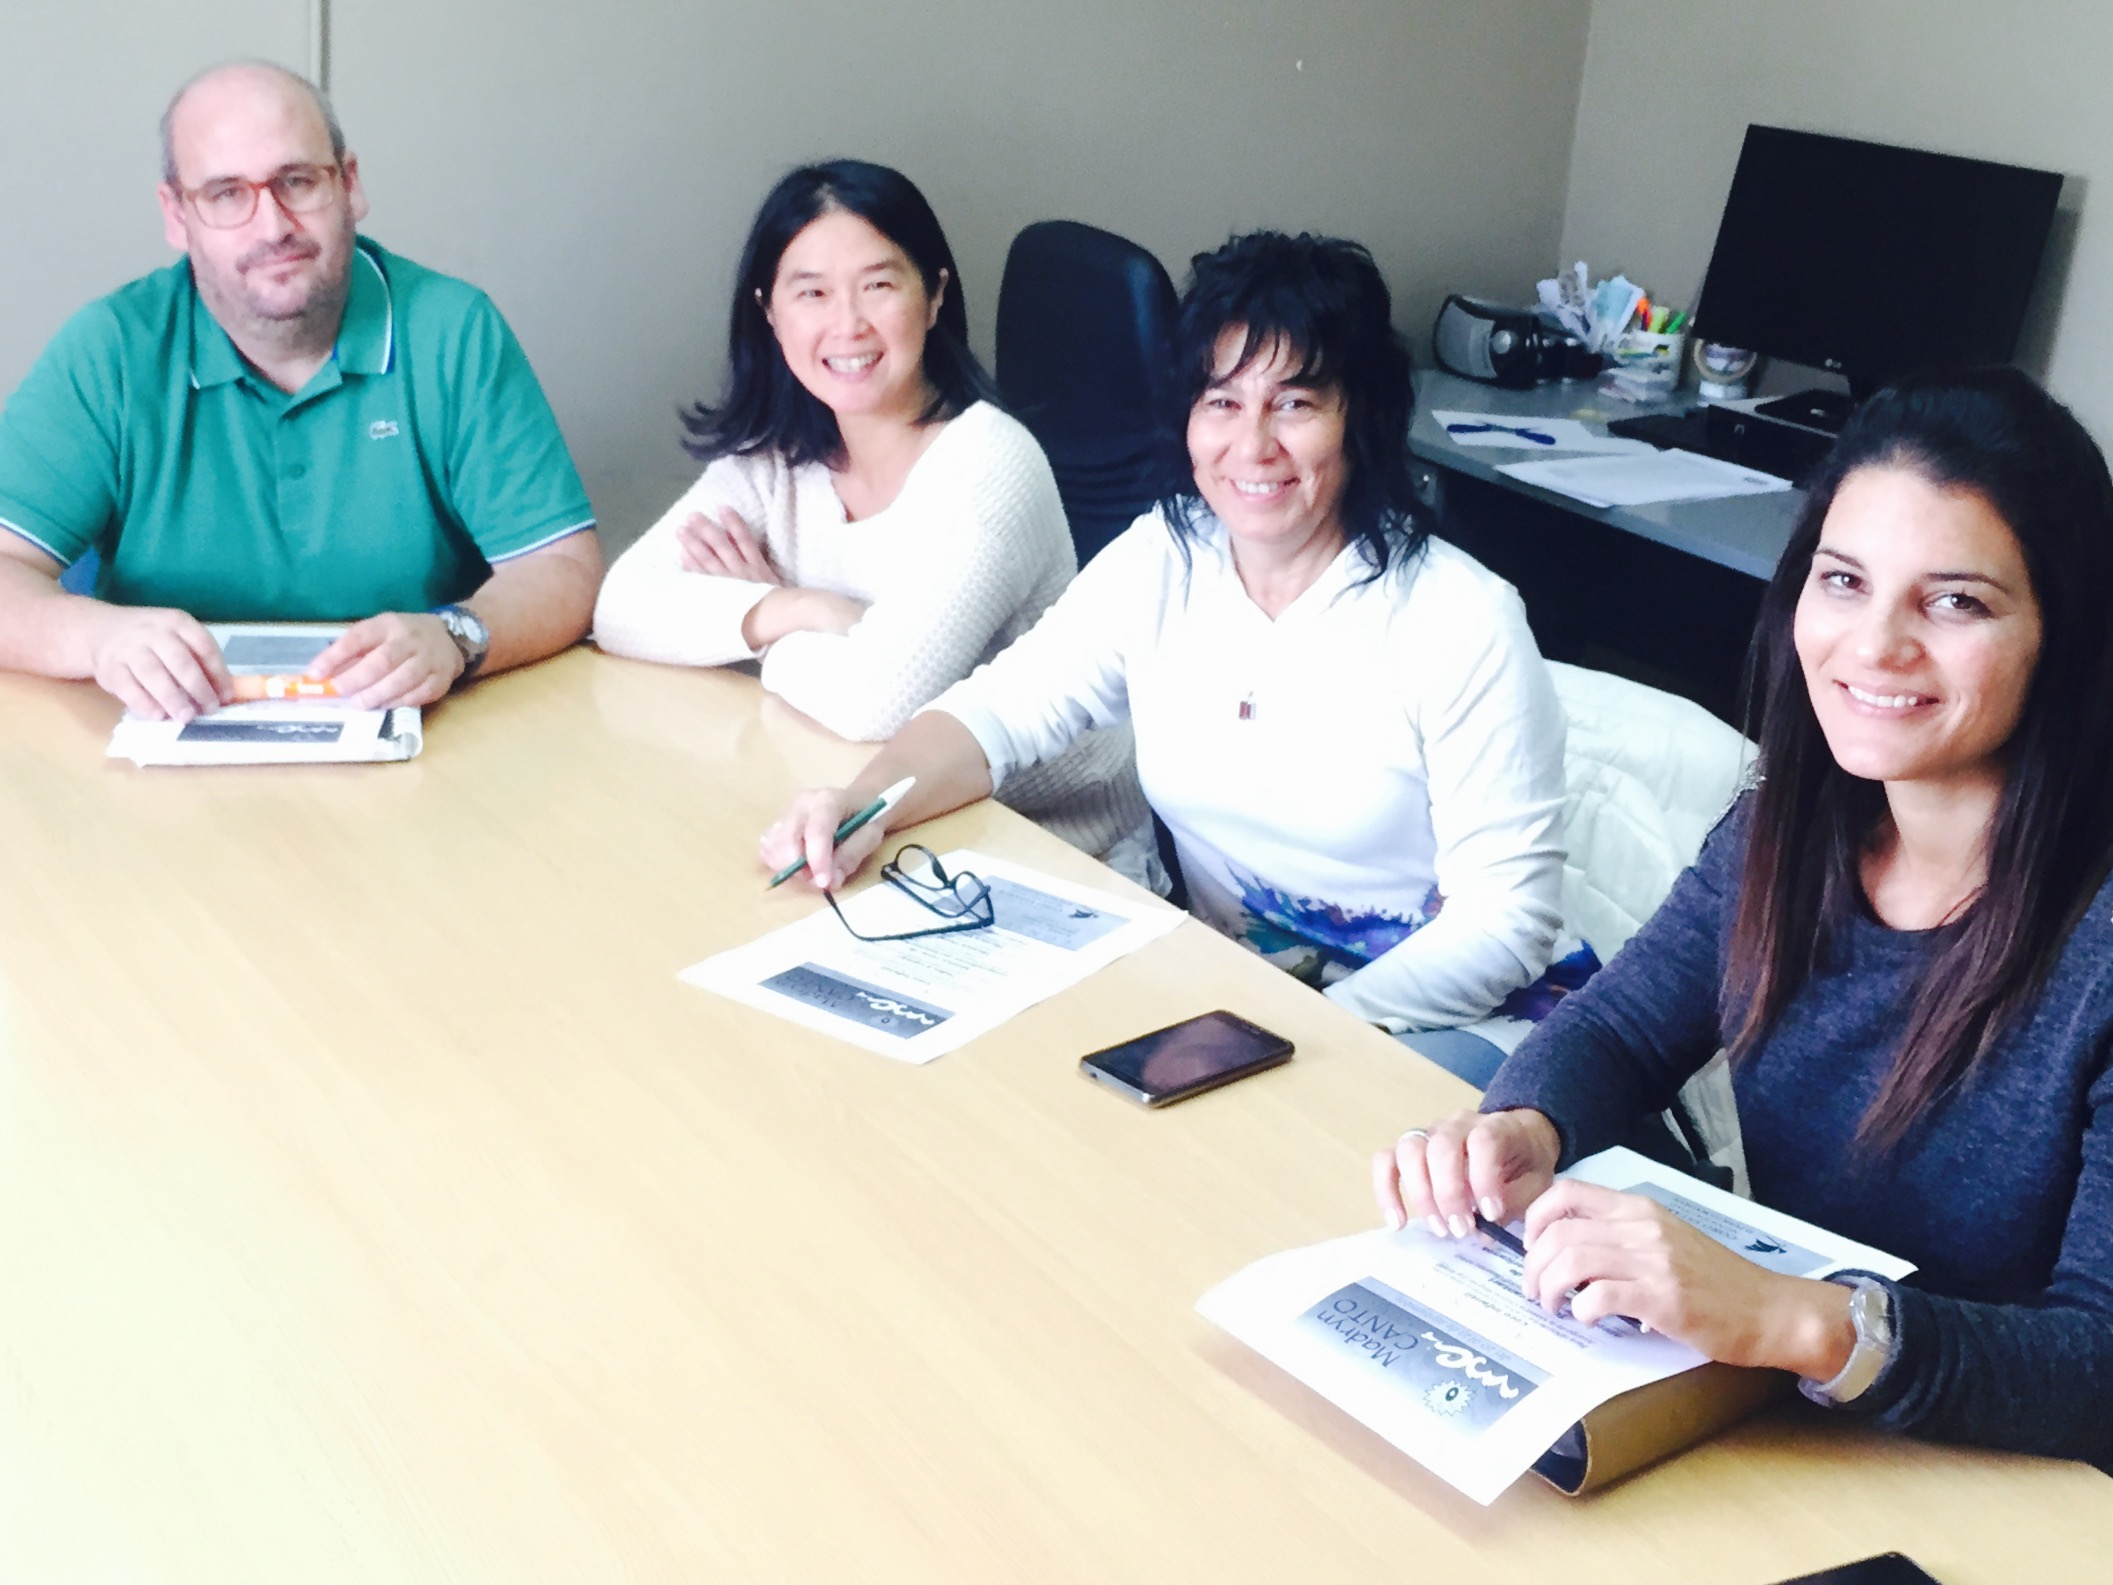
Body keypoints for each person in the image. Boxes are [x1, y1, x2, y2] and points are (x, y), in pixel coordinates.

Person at [1375, 367, 2113, 1465]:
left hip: (2010, 1483)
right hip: (1791, 1425)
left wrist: (1792, 1318)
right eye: (1843, 580)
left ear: (2065, 631)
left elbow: (2095, 1365)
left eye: (1954, 600)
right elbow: (1618, 1030)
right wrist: (1522, 1128)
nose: (1874, 644)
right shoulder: (1788, 825)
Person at [761, 231, 1568, 1037]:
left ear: (1361, 418)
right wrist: (862, 805)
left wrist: (1307, 1032)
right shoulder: (1164, 557)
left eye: (1294, 403)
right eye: (1221, 402)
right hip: (1232, 1006)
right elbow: (996, 713)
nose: (1251, 445)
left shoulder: (1459, 619)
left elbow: (1506, 922)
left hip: (1448, 1029)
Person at [0, 61, 602, 721]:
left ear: (348, 184)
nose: (271, 226)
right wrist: (97, 637)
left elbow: (562, 567)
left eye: (296, 180)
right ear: (176, 214)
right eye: (227, 193)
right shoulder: (111, 349)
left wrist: (456, 635)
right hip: (162, 743)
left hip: (427, 740)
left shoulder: (453, 330)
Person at [593, 160, 1145, 859]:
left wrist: (747, 632)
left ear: (935, 295)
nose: (846, 325)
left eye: (878, 286)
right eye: (812, 293)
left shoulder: (990, 463)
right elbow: (621, 607)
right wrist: (789, 607)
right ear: (769, 310)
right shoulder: (775, 457)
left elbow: (877, 705)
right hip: (884, 827)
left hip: (1060, 853)